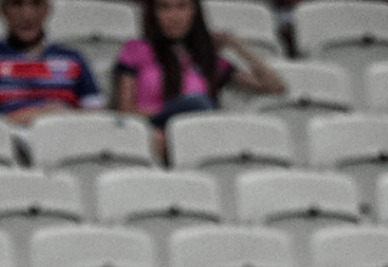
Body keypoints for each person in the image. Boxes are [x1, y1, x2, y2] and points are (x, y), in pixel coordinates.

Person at [114, 0, 285, 157]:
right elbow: (125, 110)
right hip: (154, 124)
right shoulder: (136, 50)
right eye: (164, 8)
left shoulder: (206, 60)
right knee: (196, 103)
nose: (174, 16)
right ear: (153, 13)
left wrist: (235, 45)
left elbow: (275, 86)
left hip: (195, 132)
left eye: (181, 7)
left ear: (194, 12)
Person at [0, 0, 104, 121]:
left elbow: (96, 120)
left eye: (36, 3)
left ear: (47, 10)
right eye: (16, 4)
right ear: (2, 10)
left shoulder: (73, 59)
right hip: (7, 147)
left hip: (65, 142)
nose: (27, 14)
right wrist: (36, 115)